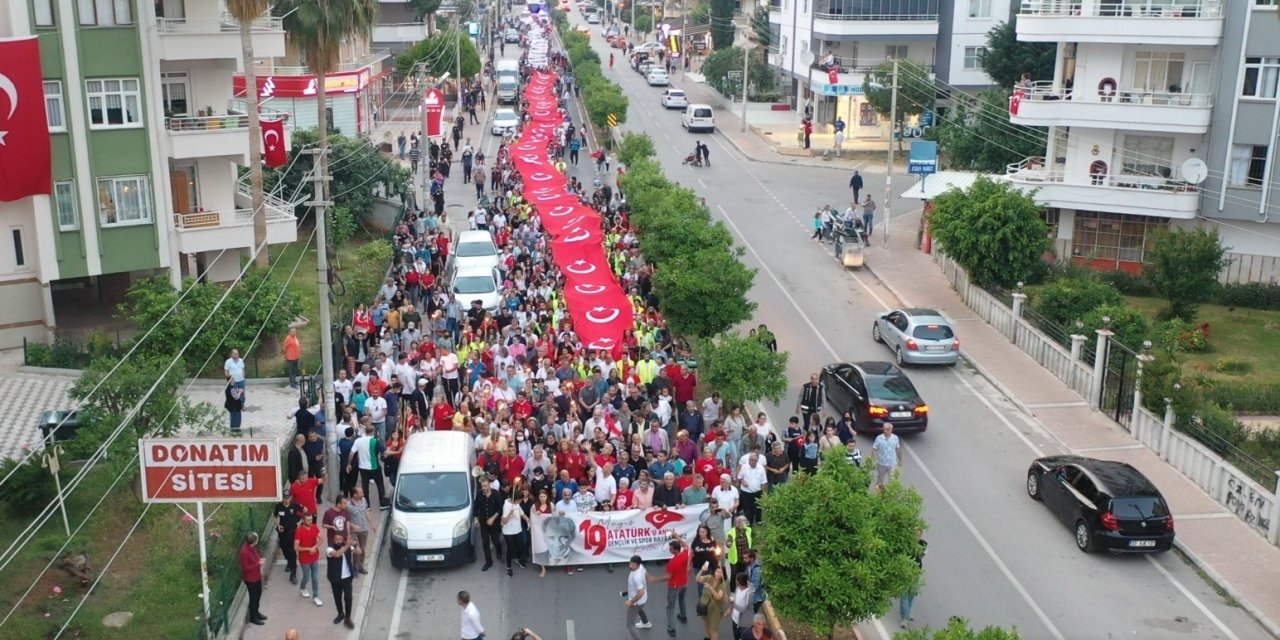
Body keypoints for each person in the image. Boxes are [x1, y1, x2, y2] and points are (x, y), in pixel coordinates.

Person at [647, 533, 690, 637]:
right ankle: (683, 616)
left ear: (675, 550)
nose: (669, 550)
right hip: (684, 583)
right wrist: (677, 537)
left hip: (674, 586)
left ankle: (672, 628)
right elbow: (686, 545)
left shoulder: (673, 562)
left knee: (670, 607)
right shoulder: (685, 553)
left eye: (671, 548)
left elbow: (667, 577)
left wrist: (655, 579)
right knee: (682, 599)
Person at [349, 424, 390, 509]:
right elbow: (384, 453)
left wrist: (349, 464)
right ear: (373, 432)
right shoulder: (375, 441)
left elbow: (351, 453)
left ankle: (367, 505)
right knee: (380, 485)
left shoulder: (358, 441)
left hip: (363, 467)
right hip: (374, 467)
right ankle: (382, 503)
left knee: (365, 486)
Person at [273, 489, 304, 584]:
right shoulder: (279, 506)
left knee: (292, 553)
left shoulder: (295, 506)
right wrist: (278, 525)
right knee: (284, 550)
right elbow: (274, 516)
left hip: (292, 533)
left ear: (290, 497)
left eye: (288, 498)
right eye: (284, 498)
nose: (286, 500)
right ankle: (289, 562)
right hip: (282, 534)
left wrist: (300, 522)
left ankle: (293, 574)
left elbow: (304, 512)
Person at [326, 533, 357, 629]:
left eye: (340, 539)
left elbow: (359, 552)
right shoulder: (329, 549)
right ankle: (340, 614)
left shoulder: (347, 546)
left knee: (348, 598)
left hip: (347, 578)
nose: (339, 541)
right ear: (333, 540)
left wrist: (355, 544)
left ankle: (348, 618)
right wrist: (347, 545)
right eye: (337, 539)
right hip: (335, 578)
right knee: (337, 597)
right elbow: (337, 554)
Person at [899, 529, 928, 627]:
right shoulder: (906, 543)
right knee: (904, 594)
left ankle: (908, 612)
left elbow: (922, 555)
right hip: (905, 571)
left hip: (915, 571)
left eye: (919, 535)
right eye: (915, 535)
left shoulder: (923, 544)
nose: (917, 537)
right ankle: (904, 617)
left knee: (911, 593)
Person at [474, 479, 505, 570]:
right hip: (483, 522)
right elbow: (476, 507)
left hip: (494, 522)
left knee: (495, 540)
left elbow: (500, 508)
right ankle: (488, 562)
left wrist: (493, 518)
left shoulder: (496, 494)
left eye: (485, 486)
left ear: (489, 485)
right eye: (482, 486)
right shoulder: (479, 494)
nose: (483, 488)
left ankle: (499, 550)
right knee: (485, 542)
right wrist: (476, 519)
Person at [294, 511, 323, 607]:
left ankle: (316, 596)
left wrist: (315, 547)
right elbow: (296, 547)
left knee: (315, 577)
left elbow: (322, 539)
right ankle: (302, 587)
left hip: (314, 557)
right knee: (306, 576)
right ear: (303, 520)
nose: (310, 521)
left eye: (311, 519)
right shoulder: (299, 531)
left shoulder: (314, 527)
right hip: (304, 559)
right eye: (308, 520)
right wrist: (308, 549)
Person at [239, 532, 267, 625]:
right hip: (250, 579)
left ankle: (256, 612)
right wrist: (258, 564)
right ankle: (253, 616)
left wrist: (259, 560)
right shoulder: (244, 552)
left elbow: (255, 555)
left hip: (256, 576)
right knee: (253, 597)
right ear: (254, 541)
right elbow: (246, 568)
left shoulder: (252, 548)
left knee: (258, 594)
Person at [696, 562, 728, 640]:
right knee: (706, 625)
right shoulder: (710, 577)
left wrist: (710, 587)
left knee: (713, 629)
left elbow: (718, 597)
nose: (718, 574)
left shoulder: (723, 584)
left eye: (720, 572)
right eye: (717, 571)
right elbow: (697, 579)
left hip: (716, 610)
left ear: (723, 574)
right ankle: (709, 637)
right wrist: (702, 570)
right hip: (705, 608)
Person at [624, 555, 653, 638]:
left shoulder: (637, 577)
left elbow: (640, 592)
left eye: (633, 565)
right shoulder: (641, 567)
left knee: (629, 625)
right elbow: (646, 574)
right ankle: (645, 622)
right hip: (642, 600)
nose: (630, 566)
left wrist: (631, 602)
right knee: (639, 609)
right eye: (630, 564)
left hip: (636, 601)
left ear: (638, 564)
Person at [502, 489, 529, 576]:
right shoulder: (506, 506)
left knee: (521, 545)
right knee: (510, 549)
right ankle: (509, 567)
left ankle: (518, 559)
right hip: (508, 531)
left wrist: (528, 520)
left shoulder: (517, 505)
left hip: (517, 529)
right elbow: (504, 522)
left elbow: (522, 514)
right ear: (517, 499)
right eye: (520, 500)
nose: (521, 501)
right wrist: (510, 514)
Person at [348, 487, 372, 574]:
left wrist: (371, 523)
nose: (363, 494)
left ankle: (360, 566)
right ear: (355, 494)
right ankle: (355, 567)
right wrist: (352, 525)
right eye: (361, 493)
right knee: (356, 549)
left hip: (363, 530)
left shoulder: (364, 500)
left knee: (362, 549)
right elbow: (346, 519)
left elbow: (366, 511)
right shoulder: (348, 505)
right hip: (353, 531)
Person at [872, 422, 902, 489]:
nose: (886, 431)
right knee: (879, 481)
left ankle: (890, 496)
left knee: (893, 482)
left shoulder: (895, 438)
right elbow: (874, 449)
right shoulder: (879, 438)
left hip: (892, 464)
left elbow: (898, 449)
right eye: (884, 429)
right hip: (881, 464)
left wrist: (900, 460)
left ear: (891, 429)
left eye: (888, 429)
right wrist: (872, 461)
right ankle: (878, 495)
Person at [728, 573, 753, 638]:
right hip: (734, 619)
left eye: (736, 580)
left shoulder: (749, 594)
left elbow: (743, 609)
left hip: (743, 623)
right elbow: (735, 599)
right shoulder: (738, 588)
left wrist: (733, 603)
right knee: (735, 636)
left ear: (739, 582)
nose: (735, 581)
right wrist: (729, 609)